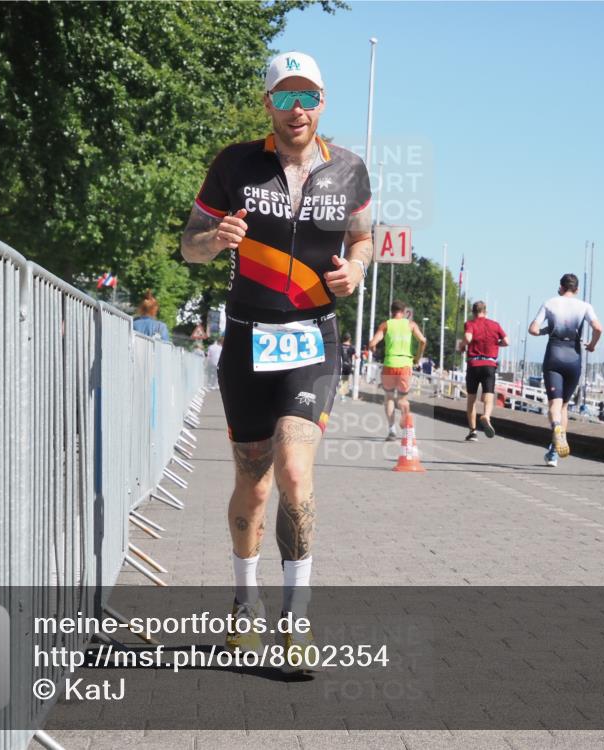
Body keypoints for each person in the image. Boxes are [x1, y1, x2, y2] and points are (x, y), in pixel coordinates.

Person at [180, 50, 372, 669]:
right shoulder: (236, 164)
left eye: (307, 97)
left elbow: (363, 236)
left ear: (322, 103)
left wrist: (357, 271)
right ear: (269, 103)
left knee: (294, 471)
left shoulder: (350, 170)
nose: (297, 109)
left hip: (313, 338)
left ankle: (295, 620)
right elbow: (189, 248)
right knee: (253, 485)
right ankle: (245, 605)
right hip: (246, 340)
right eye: (285, 97)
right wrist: (215, 239)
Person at [528, 273, 603, 467]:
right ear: (576, 290)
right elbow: (598, 328)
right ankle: (553, 452)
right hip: (574, 358)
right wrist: (593, 345)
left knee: (554, 402)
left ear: (560, 287)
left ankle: (556, 428)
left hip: (554, 355)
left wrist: (545, 330)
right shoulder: (584, 306)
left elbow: (533, 329)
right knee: (564, 406)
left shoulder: (550, 303)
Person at [368, 300, 427, 441]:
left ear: (391, 311)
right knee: (403, 399)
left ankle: (391, 430)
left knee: (389, 398)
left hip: (389, 364)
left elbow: (372, 343)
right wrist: (417, 357)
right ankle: (407, 428)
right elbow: (423, 341)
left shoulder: (386, 325)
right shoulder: (411, 325)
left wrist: (374, 349)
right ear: (405, 311)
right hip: (405, 365)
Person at [458, 301, 508, 441]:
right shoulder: (495, 325)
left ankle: (473, 431)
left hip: (474, 364)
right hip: (489, 364)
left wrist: (462, 346)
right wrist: (496, 343)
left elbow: (468, 337)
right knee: (489, 394)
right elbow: (506, 341)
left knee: (471, 399)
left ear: (473, 312)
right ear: (485, 312)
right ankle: (486, 415)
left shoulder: (470, 324)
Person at [338, 333, 355, 401]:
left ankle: (337, 393)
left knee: (340, 379)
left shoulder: (340, 346)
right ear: (349, 339)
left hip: (340, 365)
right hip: (348, 366)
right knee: (345, 380)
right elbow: (353, 357)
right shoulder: (351, 347)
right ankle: (343, 396)